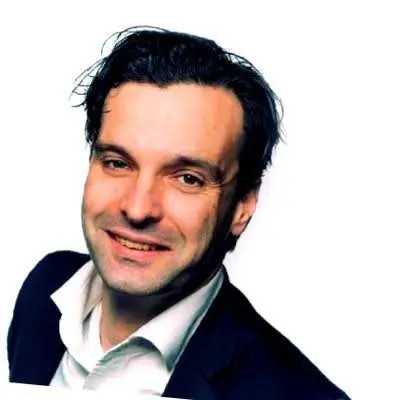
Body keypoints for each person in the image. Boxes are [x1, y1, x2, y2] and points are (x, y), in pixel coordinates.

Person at [7, 27, 350, 399]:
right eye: (118, 162)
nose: (138, 208)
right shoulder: (47, 288)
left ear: (242, 206)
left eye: (187, 178)